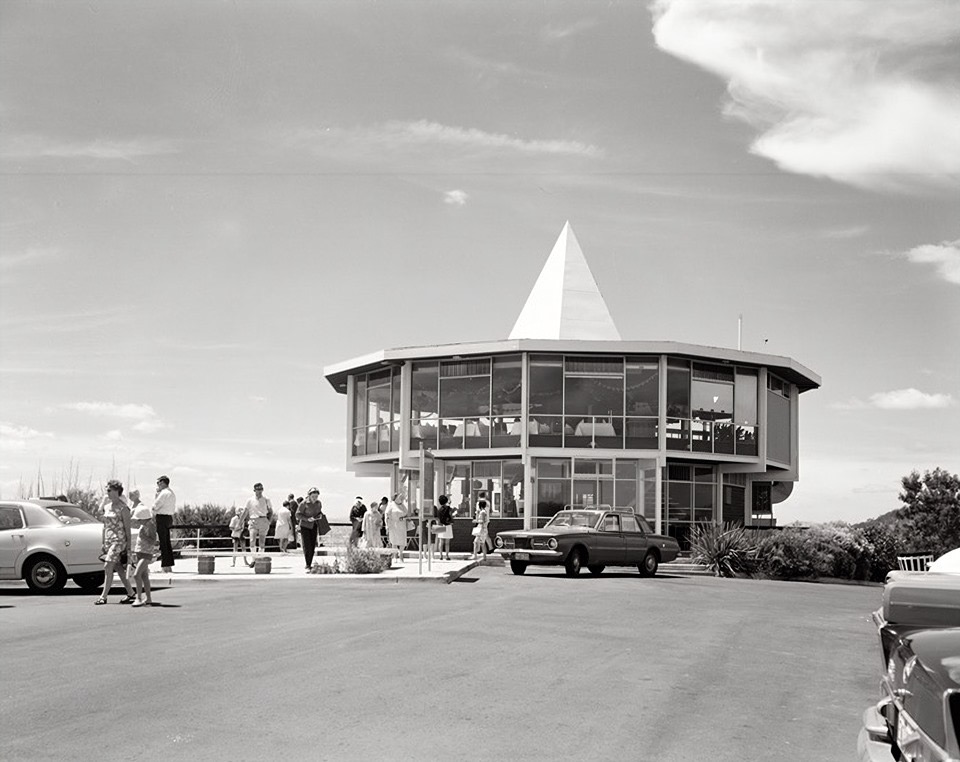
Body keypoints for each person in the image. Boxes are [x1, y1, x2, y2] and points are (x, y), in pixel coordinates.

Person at [95, 480, 136, 605]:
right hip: (109, 540)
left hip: (119, 541)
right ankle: (131, 593)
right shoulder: (107, 507)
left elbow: (127, 530)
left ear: (116, 491)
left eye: (109, 490)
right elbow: (105, 526)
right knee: (117, 567)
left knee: (108, 565)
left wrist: (129, 549)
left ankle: (103, 596)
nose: (107, 493)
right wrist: (103, 542)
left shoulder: (124, 508)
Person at [130, 502, 158, 607]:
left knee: (137, 575)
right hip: (141, 552)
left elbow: (153, 540)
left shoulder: (150, 526)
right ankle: (149, 598)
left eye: (139, 519)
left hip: (146, 553)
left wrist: (143, 536)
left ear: (144, 517)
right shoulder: (145, 525)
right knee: (144, 576)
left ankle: (138, 598)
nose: (138, 521)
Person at [240, 482, 273, 557]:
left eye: (261, 489)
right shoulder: (250, 500)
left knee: (262, 541)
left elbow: (271, 511)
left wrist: (269, 522)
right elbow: (245, 511)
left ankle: (260, 557)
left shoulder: (266, 499)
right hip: (253, 520)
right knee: (252, 540)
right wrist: (240, 522)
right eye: (258, 489)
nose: (260, 491)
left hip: (263, 519)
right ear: (254, 490)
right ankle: (254, 558)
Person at [152, 475, 176, 573]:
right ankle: (168, 565)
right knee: (167, 542)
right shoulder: (171, 493)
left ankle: (165, 566)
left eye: (158, 483)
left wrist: (156, 495)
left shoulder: (163, 493)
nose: (157, 485)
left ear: (162, 483)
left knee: (163, 542)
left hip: (161, 517)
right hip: (169, 518)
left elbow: (155, 506)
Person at [296, 488, 324, 569]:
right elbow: (297, 514)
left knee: (312, 545)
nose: (315, 498)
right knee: (307, 545)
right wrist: (307, 519)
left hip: (314, 525)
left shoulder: (319, 503)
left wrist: (320, 516)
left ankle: (310, 562)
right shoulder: (304, 503)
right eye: (313, 496)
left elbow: (319, 512)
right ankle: (308, 564)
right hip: (305, 526)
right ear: (309, 495)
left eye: (316, 496)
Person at [384, 492, 407, 562]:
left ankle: (401, 554)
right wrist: (387, 525)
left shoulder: (403, 506)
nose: (401, 498)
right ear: (395, 498)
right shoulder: (391, 505)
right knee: (394, 541)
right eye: (399, 497)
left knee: (402, 541)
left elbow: (406, 514)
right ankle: (394, 556)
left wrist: (404, 518)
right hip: (393, 525)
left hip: (402, 525)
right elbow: (387, 515)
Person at [434, 494, 455, 560]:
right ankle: (447, 555)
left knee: (441, 541)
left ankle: (440, 556)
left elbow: (437, 518)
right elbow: (451, 512)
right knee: (447, 542)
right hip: (448, 525)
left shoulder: (439, 510)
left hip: (440, 525)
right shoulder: (448, 508)